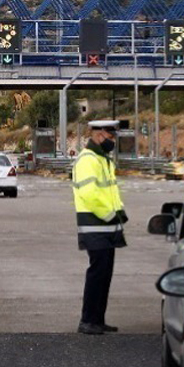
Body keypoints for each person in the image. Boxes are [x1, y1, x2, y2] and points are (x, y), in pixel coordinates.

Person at [72, 120, 128, 335]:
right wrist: (110, 215)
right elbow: (89, 194)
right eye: (110, 137)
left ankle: (97, 319)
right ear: (99, 135)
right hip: (95, 225)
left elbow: (109, 191)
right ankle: (87, 320)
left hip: (107, 227)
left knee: (104, 275)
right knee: (97, 274)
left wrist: (119, 212)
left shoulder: (102, 159)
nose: (113, 141)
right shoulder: (88, 160)